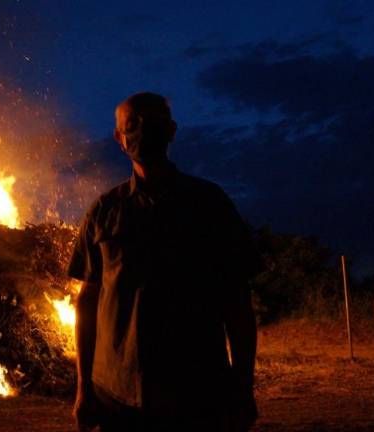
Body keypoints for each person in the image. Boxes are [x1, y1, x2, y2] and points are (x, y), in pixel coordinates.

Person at [69, 92, 258, 431]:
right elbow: (88, 301)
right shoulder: (104, 211)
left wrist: (243, 388)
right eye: (132, 125)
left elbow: (237, 303)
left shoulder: (210, 206)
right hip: (117, 397)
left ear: (171, 131)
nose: (142, 132)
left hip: (197, 394)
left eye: (152, 123)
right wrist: (83, 389)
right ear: (119, 138)